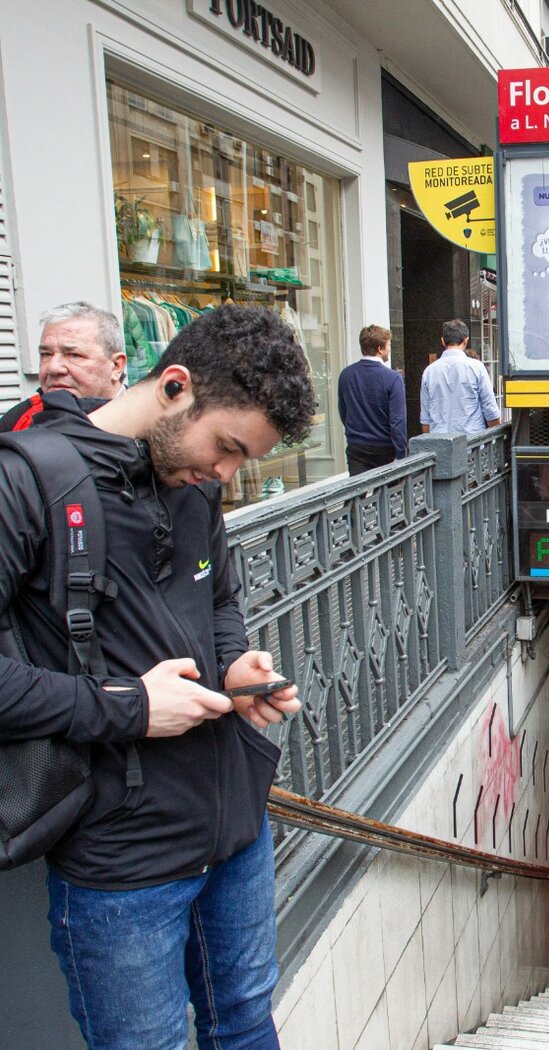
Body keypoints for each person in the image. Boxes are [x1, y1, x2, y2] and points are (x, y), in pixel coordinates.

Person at [0, 305, 317, 1049]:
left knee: (244, 1026)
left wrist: (238, 662)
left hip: (235, 830)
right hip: (121, 860)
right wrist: (130, 707)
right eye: (228, 447)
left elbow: (218, 603)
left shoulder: (194, 482)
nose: (226, 474)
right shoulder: (29, 483)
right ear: (175, 386)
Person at [0, 302, 127, 432]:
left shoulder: (144, 424)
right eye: (46, 354)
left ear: (116, 366)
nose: (53, 368)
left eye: (73, 355)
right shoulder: (19, 419)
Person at [336, 323, 407, 476]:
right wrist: (401, 454)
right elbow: (397, 420)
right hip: (385, 447)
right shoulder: (393, 378)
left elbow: (343, 411)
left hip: (357, 446)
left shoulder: (346, 375)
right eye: (388, 345)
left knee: (356, 494)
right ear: (380, 349)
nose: (389, 349)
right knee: (389, 496)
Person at [420, 318, 500, 435]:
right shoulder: (476, 367)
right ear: (466, 340)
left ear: (443, 341)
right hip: (471, 444)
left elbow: (425, 419)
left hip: (439, 444)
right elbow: (490, 410)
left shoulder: (429, 371)